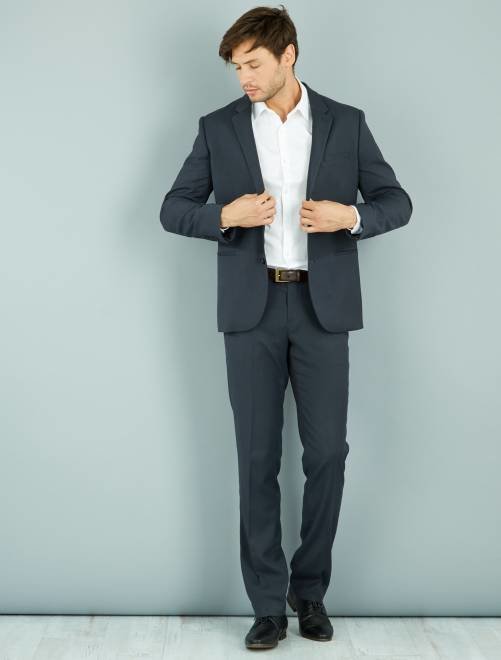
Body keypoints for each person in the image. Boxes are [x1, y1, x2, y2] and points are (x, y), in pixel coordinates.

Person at [159, 4, 412, 651]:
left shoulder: (345, 123)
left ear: (287, 55)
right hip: (252, 313)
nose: (242, 76)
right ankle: (267, 605)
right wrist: (226, 214)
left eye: (253, 63)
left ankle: (310, 591)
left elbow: (396, 201)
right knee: (256, 459)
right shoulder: (218, 128)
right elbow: (173, 209)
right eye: (235, 67)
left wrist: (349, 218)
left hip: (323, 311)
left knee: (327, 455)